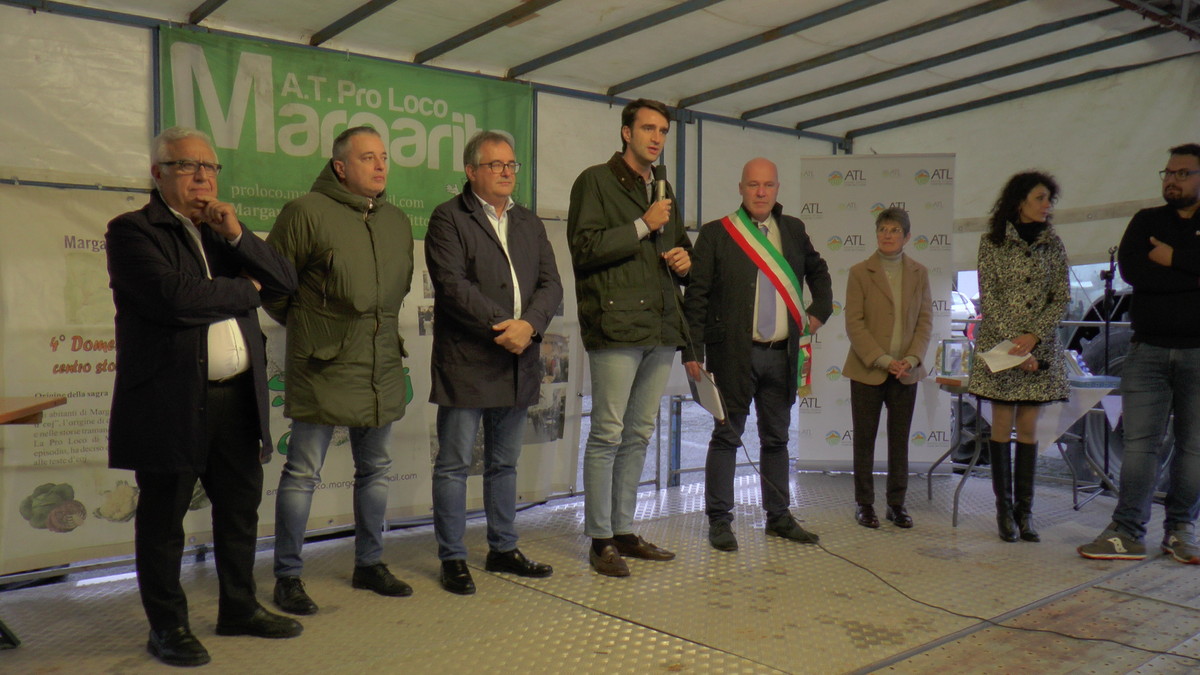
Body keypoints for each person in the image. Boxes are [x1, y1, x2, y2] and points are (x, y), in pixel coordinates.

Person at [106, 126, 301, 667]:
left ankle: (240, 608)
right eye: (187, 166)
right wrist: (246, 290)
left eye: (210, 167)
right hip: (168, 400)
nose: (202, 177)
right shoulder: (132, 231)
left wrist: (237, 235)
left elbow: (284, 281)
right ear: (158, 174)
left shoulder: (222, 232)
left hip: (237, 398)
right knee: (164, 520)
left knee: (239, 511)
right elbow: (174, 298)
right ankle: (168, 627)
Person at [265, 126, 415, 613]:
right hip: (322, 365)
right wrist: (316, 328)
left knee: (376, 469)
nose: (380, 165)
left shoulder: (395, 220)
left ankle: (370, 563)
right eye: (368, 157)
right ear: (340, 166)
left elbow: (398, 290)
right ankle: (288, 576)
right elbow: (274, 288)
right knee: (303, 472)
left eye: (384, 156)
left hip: (380, 364)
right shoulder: (305, 212)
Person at [425, 131, 562, 594]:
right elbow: (452, 285)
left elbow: (551, 284)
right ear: (471, 171)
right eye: (495, 165)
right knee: (454, 464)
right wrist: (507, 326)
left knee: (504, 463)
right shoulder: (449, 218)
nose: (506, 172)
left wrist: (530, 326)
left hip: (518, 359)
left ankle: (503, 548)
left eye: (511, 165)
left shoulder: (528, 221)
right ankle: (453, 557)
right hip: (468, 359)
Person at [568, 98, 692, 576]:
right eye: (648, 129)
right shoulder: (594, 181)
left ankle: (623, 529)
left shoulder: (662, 188)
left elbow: (678, 245)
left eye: (663, 131)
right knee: (608, 432)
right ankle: (600, 539)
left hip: (659, 326)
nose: (657, 138)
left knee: (639, 433)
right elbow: (584, 248)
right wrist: (644, 224)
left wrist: (685, 260)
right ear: (626, 132)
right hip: (617, 325)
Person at [682, 157, 832, 552]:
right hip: (733, 354)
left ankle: (778, 517)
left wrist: (819, 312)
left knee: (777, 439)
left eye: (768, 185)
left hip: (782, 355)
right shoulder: (717, 233)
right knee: (726, 437)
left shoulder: (793, 230)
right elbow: (696, 295)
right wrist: (692, 350)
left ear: (777, 188)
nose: (761, 192)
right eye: (753, 184)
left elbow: (819, 271)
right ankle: (720, 521)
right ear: (741, 188)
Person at [1079, 143, 1200, 563]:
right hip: (1147, 350)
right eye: (1168, 172)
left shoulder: (1166, 236)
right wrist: (1191, 272)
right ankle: (1127, 532)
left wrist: (1171, 257)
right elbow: (1134, 272)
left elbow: (1155, 273)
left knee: (1193, 447)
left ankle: (1181, 531)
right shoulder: (1146, 221)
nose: (1172, 180)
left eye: (1183, 173)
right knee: (1138, 445)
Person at [968, 171, 1069, 543]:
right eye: (1040, 198)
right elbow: (989, 297)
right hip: (1002, 347)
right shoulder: (992, 242)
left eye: (1049, 199)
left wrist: (1033, 338)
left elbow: (1061, 297)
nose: (1047, 206)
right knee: (1001, 425)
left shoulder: (1053, 244)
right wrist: (1015, 344)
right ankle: (1003, 513)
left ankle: (1024, 514)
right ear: (1019, 200)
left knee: (1028, 429)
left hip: (1039, 348)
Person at [842, 208, 933, 530]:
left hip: (906, 372)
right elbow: (854, 323)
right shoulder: (859, 272)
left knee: (899, 441)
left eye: (894, 230)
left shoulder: (920, 273)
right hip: (867, 369)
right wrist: (881, 359)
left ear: (907, 237)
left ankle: (896, 504)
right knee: (864, 440)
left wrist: (912, 359)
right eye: (883, 229)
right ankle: (864, 504)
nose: (887, 235)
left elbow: (925, 322)